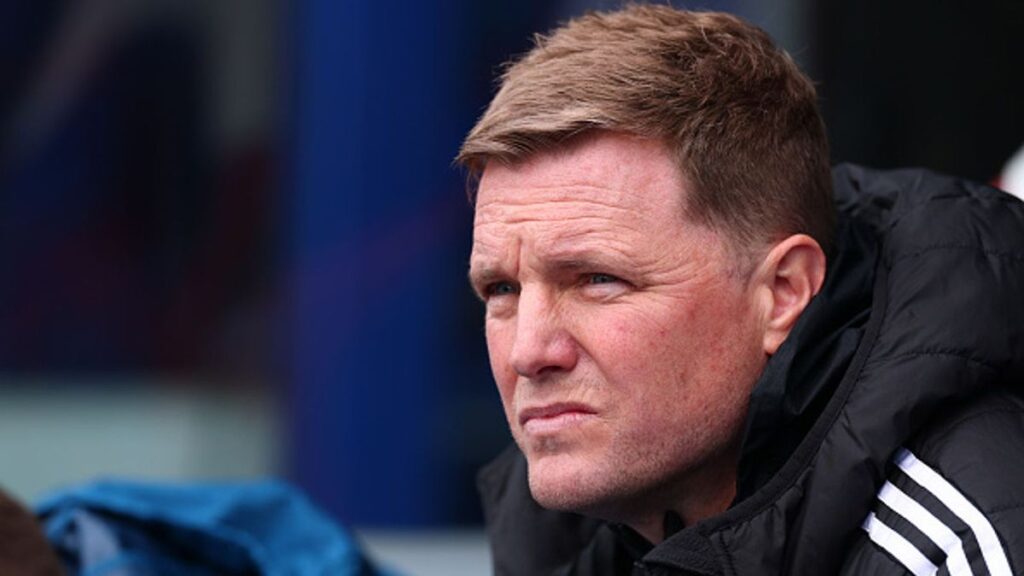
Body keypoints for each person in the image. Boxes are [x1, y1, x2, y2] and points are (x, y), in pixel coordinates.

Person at [457, 5, 1024, 575]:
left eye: (597, 281)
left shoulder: (958, 549)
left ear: (783, 292)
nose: (528, 352)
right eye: (501, 289)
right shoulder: (571, 529)